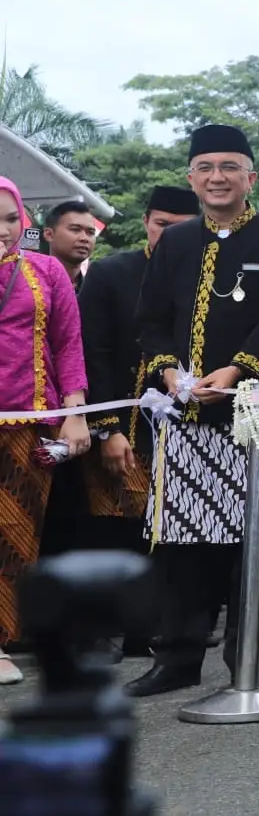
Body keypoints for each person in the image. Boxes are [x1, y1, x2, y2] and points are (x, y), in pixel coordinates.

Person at [127, 125, 259, 697]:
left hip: (253, 415)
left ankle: (248, 655)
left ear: (250, 177)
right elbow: (150, 320)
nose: (217, 177)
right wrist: (169, 372)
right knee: (180, 543)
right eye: (205, 167)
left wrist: (234, 371)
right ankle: (178, 657)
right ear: (192, 178)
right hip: (183, 419)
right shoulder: (176, 242)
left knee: (257, 542)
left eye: (229, 167)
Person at [60, 185, 198, 660]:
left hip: (180, 427)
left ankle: (147, 628)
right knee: (106, 526)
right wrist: (108, 427)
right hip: (118, 423)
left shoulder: (204, 278)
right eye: (162, 225)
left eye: (181, 229)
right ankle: (96, 631)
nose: (169, 236)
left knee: (166, 531)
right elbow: (90, 353)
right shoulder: (112, 272)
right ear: (145, 223)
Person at [0, 175, 90, 685]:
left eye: (11, 218)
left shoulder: (47, 270)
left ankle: (0, 642)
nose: (4, 230)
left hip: (31, 423)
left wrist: (75, 414)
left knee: (16, 534)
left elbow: (68, 345)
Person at [42, 199, 98, 292]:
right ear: (49, 234)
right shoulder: (28, 285)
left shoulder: (97, 290)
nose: (84, 238)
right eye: (75, 229)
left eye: (91, 232)